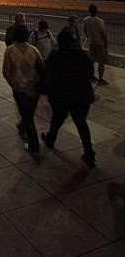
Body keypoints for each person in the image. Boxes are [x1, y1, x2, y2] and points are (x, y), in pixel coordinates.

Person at [42, 28, 96, 166]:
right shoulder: (81, 55)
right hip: (81, 96)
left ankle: (50, 139)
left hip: (62, 96)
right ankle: (89, 152)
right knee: (81, 123)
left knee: (57, 119)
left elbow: (48, 74)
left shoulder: (55, 55)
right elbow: (90, 73)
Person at [2, 24, 44, 155]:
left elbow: (6, 72)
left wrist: (13, 84)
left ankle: (34, 146)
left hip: (20, 89)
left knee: (27, 117)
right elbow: (41, 69)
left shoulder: (9, 50)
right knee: (29, 113)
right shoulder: (34, 50)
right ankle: (22, 125)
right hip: (35, 89)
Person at [83, 4, 108, 85]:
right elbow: (103, 33)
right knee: (101, 62)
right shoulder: (99, 21)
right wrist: (106, 43)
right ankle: (100, 79)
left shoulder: (85, 20)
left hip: (91, 43)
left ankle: (91, 76)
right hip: (99, 43)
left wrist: (88, 37)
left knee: (92, 61)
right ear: (97, 11)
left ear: (89, 11)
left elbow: (85, 30)